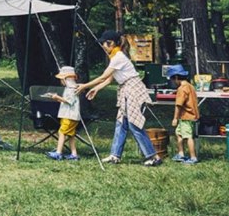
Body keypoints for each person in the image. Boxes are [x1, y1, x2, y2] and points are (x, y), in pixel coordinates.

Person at [76, 30, 162, 166]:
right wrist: (96, 89)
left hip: (133, 90)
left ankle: (153, 157)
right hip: (126, 90)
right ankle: (115, 155)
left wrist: (84, 86)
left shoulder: (118, 57)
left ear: (111, 43)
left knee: (134, 124)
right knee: (121, 123)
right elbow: (110, 79)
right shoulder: (115, 57)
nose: (103, 46)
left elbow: (103, 76)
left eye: (104, 43)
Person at [46, 67, 81, 161]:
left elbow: (68, 101)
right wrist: (56, 97)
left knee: (61, 132)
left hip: (70, 116)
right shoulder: (70, 88)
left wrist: (56, 97)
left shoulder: (72, 89)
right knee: (71, 135)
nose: (61, 81)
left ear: (67, 79)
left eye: (62, 79)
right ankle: (74, 154)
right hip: (68, 115)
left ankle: (58, 152)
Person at [167, 65, 200, 164]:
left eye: (173, 79)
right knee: (179, 133)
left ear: (176, 77)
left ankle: (193, 157)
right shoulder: (190, 86)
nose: (173, 82)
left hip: (186, 116)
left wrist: (175, 118)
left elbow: (179, 105)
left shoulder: (182, 89)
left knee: (188, 136)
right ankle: (181, 154)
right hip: (189, 116)